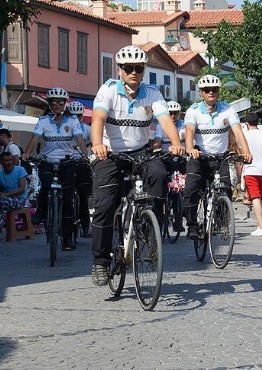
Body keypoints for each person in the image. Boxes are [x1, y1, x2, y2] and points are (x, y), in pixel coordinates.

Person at [89, 45, 185, 286]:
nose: (133, 72)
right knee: (104, 204)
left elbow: (165, 120)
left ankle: (147, 222)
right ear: (120, 70)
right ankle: (100, 262)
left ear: (143, 71)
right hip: (110, 154)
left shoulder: (152, 93)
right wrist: (98, 144)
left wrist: (175, 143)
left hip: (141, 152)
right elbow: (98, 118)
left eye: (138, 68)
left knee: (160, 172)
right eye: (129, 68)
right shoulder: (108, 89)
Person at [183, 74, 253, 239]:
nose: (211, 92)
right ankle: (192, 225)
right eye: (207, 90)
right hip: (199, 157)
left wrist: (246, 151)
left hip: (220, 157)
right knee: (191, 189)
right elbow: (189, 132)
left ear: (218, 91)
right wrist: (189, 148)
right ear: (201, 93)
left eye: (214, 89)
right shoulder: (193, 111)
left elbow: (237, 132)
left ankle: (221, 223)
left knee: (225, 189)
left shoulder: (227, 109)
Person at [22, 87, 87, 251]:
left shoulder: (73, 121)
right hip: (47, 161)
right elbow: (35, 139)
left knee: (68, 200)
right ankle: (41, 211)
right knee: (45, 186)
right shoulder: (43, 121)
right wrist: (27, 153)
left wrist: (85, 155)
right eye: (53, 102)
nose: (57, 105)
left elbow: (79, 141)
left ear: (65, 104)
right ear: (49, 104)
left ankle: (67, 239)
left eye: (60, 102)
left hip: (67, 162)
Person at [153, 100, 186, 232]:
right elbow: (157, 141)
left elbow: (188, 137)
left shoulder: (183, 125)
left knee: (182, 188)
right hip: (165, 159)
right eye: (170, 113)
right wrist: (155, 149)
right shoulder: (161, 125)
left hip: (180, 159)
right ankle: (159, 218)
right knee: (161, 186)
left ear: (179, 114)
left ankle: (179, 221)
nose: (172, 116)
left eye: (175, 113)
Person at [68, 100, 92, 238]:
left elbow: (93, 144)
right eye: (72, 115)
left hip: (83, 162)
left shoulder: (87, 129)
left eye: (78, 115)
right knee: (66, 194)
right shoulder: (64, 127)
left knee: (84, 195)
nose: (75, 118)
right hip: (67, 162)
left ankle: (85, 225)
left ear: (81, 116)